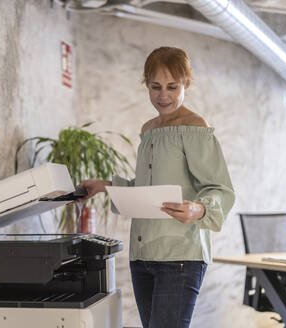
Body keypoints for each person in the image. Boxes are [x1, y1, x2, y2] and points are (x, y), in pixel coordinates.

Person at [78, 47, 235, 328]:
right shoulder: (148, 129)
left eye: (172, 87)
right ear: (146, 85)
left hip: (181, 256)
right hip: (143, 255)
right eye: (155, 87)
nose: (163, 96)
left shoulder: (195, 127)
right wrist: (104, 185)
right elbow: (146, 188)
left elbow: (220, 187)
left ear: (186, 83)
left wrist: (199, 209)